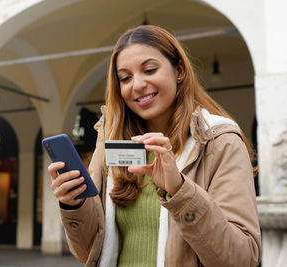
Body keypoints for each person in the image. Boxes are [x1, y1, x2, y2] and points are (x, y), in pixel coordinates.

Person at [48, 25, 261, 267]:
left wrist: (180, 190)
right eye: (125, 78)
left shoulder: (219, 141)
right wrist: (73, 204)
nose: (137, 85)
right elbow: (89, 252)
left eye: (149, 70)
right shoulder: (111, 139)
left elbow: (242, 258)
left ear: (179, 70)